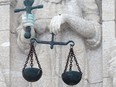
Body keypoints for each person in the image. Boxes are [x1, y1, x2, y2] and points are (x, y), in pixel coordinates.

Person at [16, 0, 101, 87]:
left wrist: (67, 18)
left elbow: (94, 33)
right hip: (43, 57)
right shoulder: (32, 2)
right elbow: (25, 44)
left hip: (73, 54)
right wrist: (28, 28)